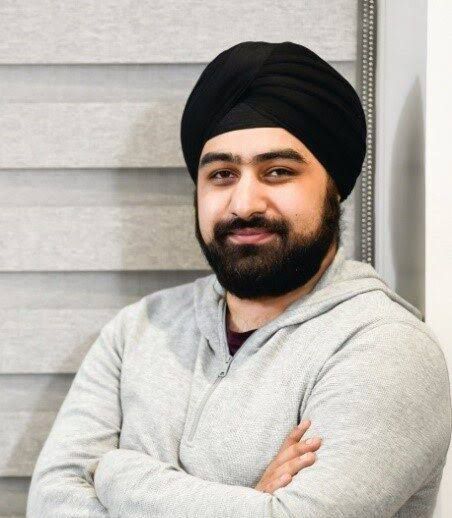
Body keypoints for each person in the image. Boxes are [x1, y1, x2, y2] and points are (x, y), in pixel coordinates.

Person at [27, 41, 451, 517]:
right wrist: (253, 499)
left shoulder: (385, 349)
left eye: (278, 171)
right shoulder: (137, 330)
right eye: (222, 174)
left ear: (334, 189)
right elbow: (50, 502)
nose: (244, 204)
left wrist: (116, 473)